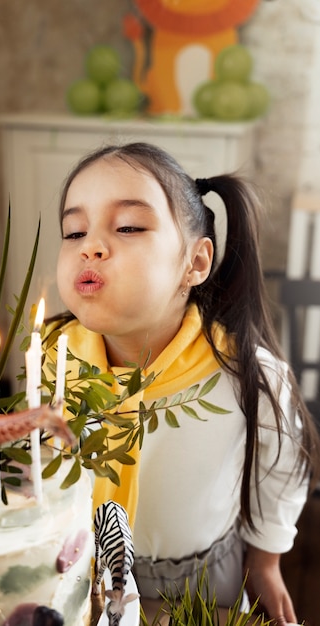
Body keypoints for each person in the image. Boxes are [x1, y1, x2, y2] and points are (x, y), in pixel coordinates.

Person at [47, 142, 319, 624]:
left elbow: (280, 468)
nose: (90, 245)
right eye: (74, 231)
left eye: (128, 226)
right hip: (77, 572)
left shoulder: (244, 375)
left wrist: (267, 562)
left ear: (195, 262)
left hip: (198, 584)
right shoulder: (49, 361)